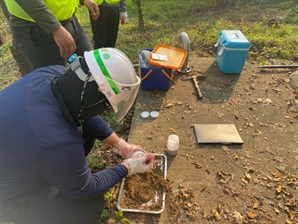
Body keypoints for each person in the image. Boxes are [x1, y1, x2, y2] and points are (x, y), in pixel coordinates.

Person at [0, 48, 155, 223]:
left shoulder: (53, 74)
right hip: (9, 197)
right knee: (89, 207)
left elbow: (83, 111)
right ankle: (27, 214)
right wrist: (128, 166)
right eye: (106, 104)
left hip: (18, 155)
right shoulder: (56, 140)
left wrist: (122, 146)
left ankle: (62, 176)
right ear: (99, 93)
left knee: (84, 133)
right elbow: (86, 189)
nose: (105, 109)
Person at [4, 0, 100, 70]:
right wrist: (55, 28)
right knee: (55, 80)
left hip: (68, 19)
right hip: (38, 26)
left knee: (93, 68)